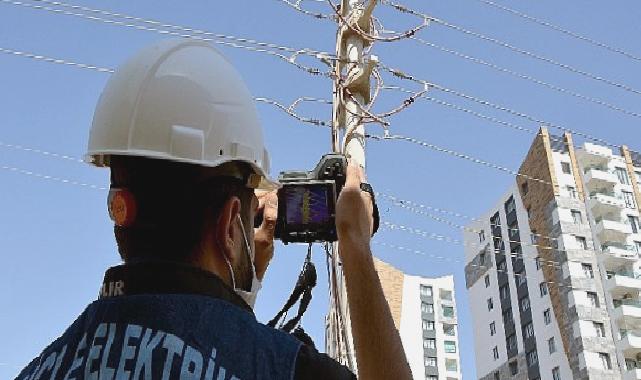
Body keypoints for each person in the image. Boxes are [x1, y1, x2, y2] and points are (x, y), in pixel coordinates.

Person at [15, 39, 412, 380]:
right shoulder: (283, 366)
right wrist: (355, 247)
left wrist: (237, 292)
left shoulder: (42, 368)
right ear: (227, 227)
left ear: (120, 208)